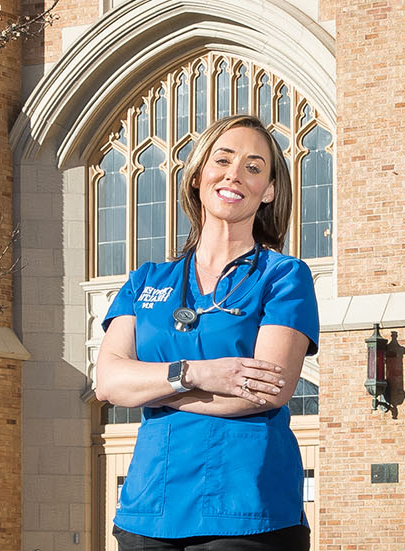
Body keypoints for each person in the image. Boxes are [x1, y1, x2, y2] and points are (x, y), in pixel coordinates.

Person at [94, 114, 319, 550]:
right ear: (198, 175)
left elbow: (266, 390)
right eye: (223, 160)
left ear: (269, 191)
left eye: (254, 167)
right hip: (148, 509)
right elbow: (108, 382)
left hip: (248, 510)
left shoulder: (284, 277)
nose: (235, 174)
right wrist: (195, 373)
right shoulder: (145, 281)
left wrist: (150, 389)